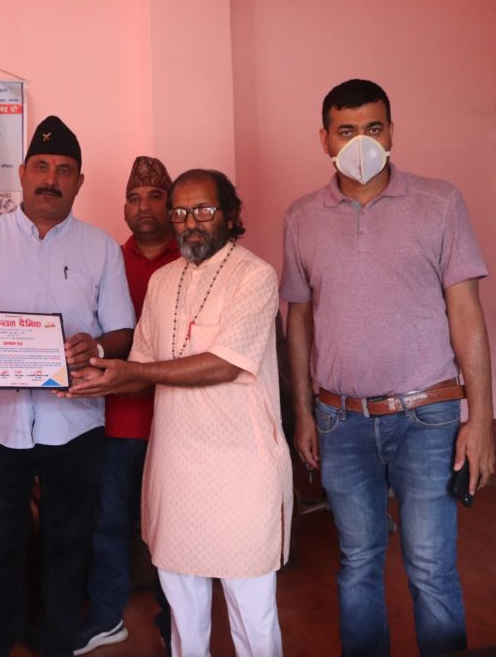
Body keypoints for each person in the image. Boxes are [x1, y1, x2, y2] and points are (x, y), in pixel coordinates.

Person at [281, 78, 494, 657]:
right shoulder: (301, 217)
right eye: (347, 130)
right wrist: (304, 413)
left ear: (392, 132)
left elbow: (466, 313)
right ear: (325, 139)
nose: (361, 142)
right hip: (340, 420)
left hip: (428, 415)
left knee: (430, 566)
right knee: (357, 563)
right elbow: (298, 319)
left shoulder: (439, 202)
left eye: (373, 128)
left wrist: (480, 419)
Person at [64, 168, 292, 657]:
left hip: (241, 467)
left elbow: (225, 364)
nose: (191, 222)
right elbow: (141, 366)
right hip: (175, 464)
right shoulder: (162, 282)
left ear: (231, 214)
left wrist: (130, 372)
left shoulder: (255, 275)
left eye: (204, 210)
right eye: (181, 212)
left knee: (252, 611)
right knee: (184, 611)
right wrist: (99, 379)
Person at [0, 115, 135, 656]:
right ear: (23, 173)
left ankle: (54, 643)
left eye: (64, 170)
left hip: (75, 424)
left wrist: (97, 348)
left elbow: (122, 332)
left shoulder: (101, 248)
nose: (52, 179)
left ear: (79, 181)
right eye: (43, 167)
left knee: (68, 545)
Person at [73, 156, 179, 655]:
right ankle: (106, 617)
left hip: (177, 421)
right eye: (134, 198)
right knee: (110, 524)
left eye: (154, 196)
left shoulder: (191, 261)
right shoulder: (108, 260)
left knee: (173, 528)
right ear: (124, 208)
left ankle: (175, 620)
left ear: (171, 204)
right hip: (117, 421)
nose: (143, 206)